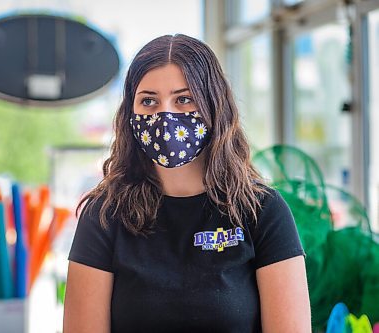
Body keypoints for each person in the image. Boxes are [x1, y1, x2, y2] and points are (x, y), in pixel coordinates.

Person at [63, 34, 311, 333]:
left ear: (213, 106)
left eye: (184, 99)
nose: (165, 115)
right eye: (149, 101)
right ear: (131, 113)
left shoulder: (262, 211)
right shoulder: (104, 215)